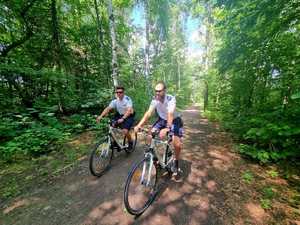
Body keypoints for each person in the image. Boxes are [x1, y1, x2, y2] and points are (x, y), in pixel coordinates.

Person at [134, 81, 183, 175]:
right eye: (156, 91)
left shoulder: (170, 98)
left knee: (177, 144)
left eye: (160, 91)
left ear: (165, 90)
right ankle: (153, 157)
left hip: (174, 120)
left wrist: (167, 128)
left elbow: (170, 113)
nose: (157, 93)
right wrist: (138, 125)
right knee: (149, 135)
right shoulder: (155, 100)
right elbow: (148, 113)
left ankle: (176, 162)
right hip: (162, 120)